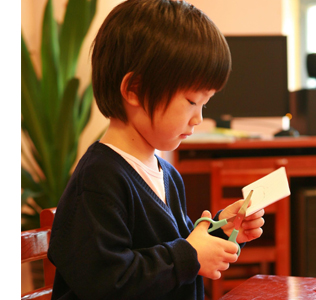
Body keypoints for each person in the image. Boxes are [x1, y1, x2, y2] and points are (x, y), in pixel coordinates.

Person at [47, 0, 265, 299]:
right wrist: (190, 256)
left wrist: (220, 231)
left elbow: (177, 251)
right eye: (191, 101)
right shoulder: (99, 179)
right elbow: (106, 281)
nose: (199, 117)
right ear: (134, 89)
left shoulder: (167, 175)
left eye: (205, 104)